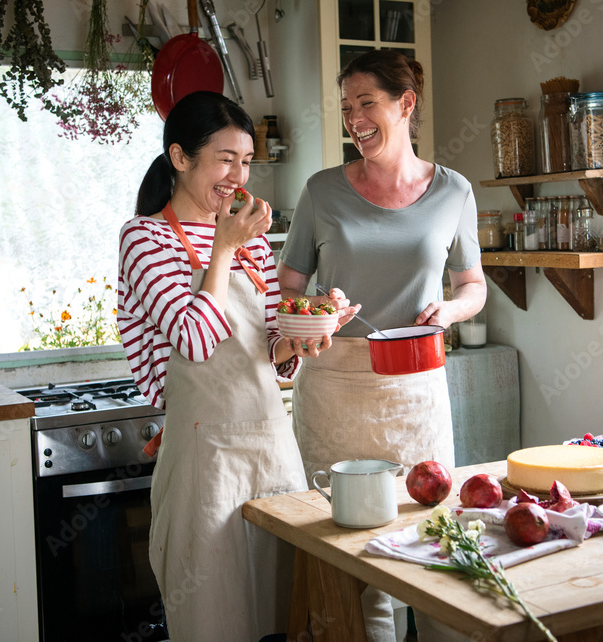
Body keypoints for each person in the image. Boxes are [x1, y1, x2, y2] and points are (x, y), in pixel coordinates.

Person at [277, 50, 487, 641]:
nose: (355, 119)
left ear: (406, 104)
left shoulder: (454, 192)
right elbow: (288, 291)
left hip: (416, 386)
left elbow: (473, 286)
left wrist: (449, 309)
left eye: (367, 103)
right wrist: (315, 317)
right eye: (347, 108)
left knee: (429, 538)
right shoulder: (321, 192)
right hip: (334, 387)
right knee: (344, 554)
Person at [117, 91, 329, 641]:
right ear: (181, 157)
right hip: (203, 461)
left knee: (285, 613)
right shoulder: (144, 240)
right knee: (214, 616)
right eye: (225, 159)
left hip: (271, 449)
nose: (239, 175)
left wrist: (309, 333)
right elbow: (195, 340)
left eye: (247, 160)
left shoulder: (250, 241)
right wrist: (224, 249)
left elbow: (269, 347)